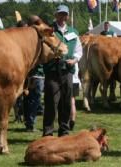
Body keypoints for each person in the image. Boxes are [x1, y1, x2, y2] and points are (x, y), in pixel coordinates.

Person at [43, 4, 82, 137]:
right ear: (56, 15)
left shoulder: (73, 32)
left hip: (67, 71)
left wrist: (75, 60)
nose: (63, 17)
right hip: (52, 71)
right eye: (60, 14)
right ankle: (48, 132)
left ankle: (64, 131)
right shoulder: (49, 31)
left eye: (65, 14)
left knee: (66, 103)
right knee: (51, 103)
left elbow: (78, 51)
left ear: (68, 16)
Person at [22, 15, 45, 132]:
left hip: (29, 74)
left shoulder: (27, 37)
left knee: (29, 99)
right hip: (35, 74)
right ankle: (30, 124)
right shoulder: (35, 38)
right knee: (34, 99)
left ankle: (29, 122)